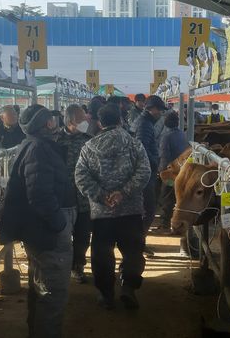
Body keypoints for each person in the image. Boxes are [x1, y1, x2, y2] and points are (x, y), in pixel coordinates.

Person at [0, 104, 75, 338]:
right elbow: (39, 195)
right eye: (50, 119)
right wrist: (59, 223)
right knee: (52, 293)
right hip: (48, 233)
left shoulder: (35, 146)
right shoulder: (39, 149)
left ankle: (38, 330)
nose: (55, 122)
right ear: (44, 124)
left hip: (42, 231)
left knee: (41, 287)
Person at [74, 104, 151, 310]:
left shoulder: (89, 147)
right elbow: (144, 172)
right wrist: (123, 192)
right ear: (120, 120)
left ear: (99, 122)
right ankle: (128, 289)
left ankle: (106, 295)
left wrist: (101, 195)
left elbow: (81, 177)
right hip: (131, 210)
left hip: (102, 213)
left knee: (102, 253)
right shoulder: (134, 144)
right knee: (133, 251)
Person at [56, 105, 92, 284]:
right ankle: (61, 266)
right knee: (62, 234)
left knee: (83, 235)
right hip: (62, 198)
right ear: (70, 121)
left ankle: (78, 265)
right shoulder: (55, 140)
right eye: (81, 119)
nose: (86, 122)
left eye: (85, 118)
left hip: (84, 198)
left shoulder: (89, 140)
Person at [134, 95, 166, 252]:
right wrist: (153, 164)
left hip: (147, 172)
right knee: (148, 210)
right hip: (146, 174)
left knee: (147, 210)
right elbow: (141, 147)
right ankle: (137, 244)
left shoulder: (145, 122)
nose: (160, 113)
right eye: (159, 110)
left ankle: (139, 242)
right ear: (151, 109)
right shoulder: (144, 124)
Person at [158, 111, 188, 229]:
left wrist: (161, 171)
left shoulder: (166, 137)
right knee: (178, 197)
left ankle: (165, 224)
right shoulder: (182, 134)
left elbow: (164, 156)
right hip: (182, 169)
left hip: (171, 171)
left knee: (167, 197)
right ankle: (179, 223)